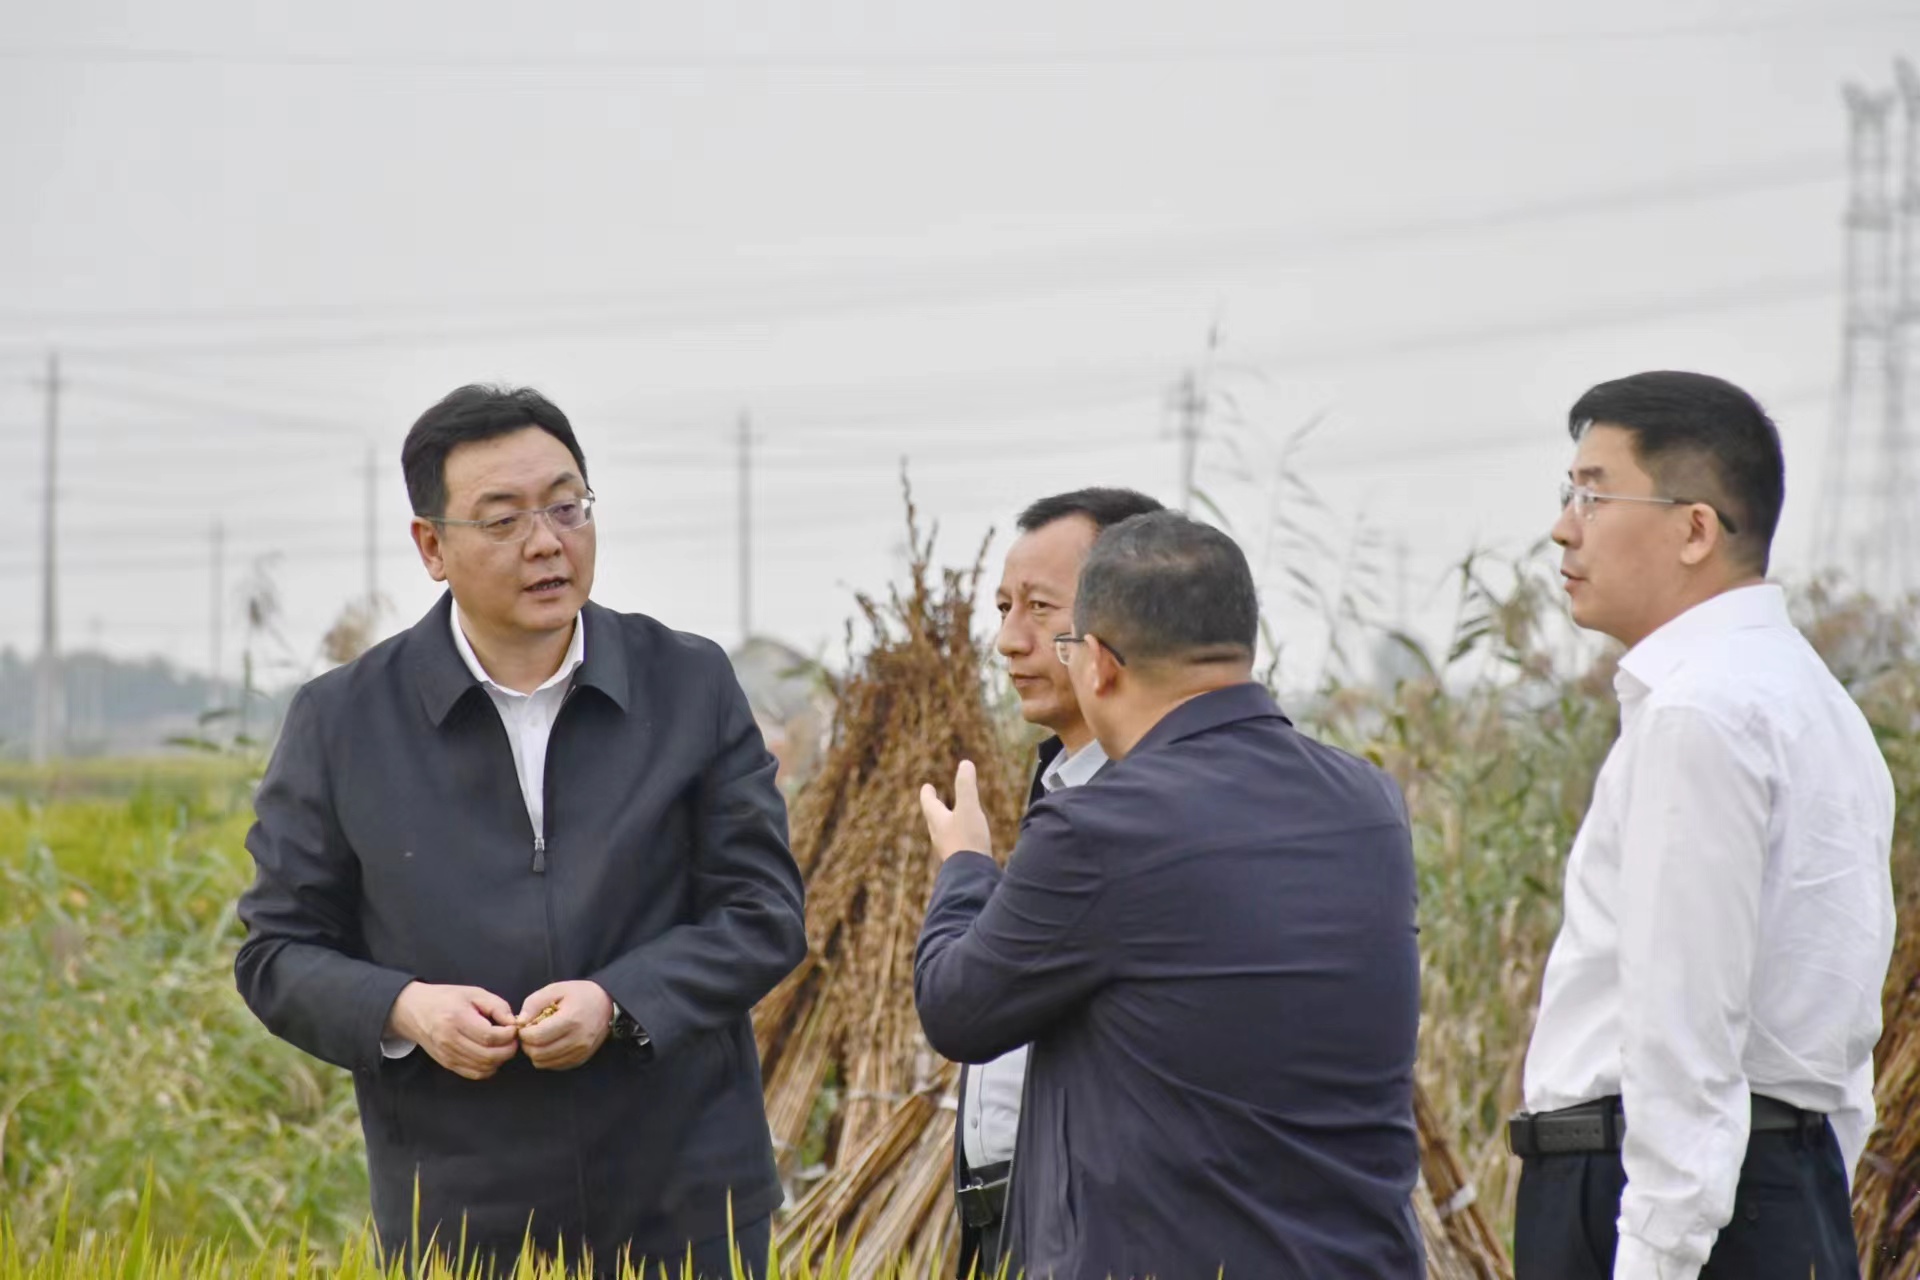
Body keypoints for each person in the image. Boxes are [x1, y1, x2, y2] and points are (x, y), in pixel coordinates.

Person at [233, 385, 807, 1278]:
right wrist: (407, 1009)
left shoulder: (688, 683)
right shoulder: (343, 722)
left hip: (686, 1198)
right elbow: (276, 953)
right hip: (462, 1210)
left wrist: (617, 1002)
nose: (546, 543)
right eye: (503, 520)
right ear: (432, 547)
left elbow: (763, 913)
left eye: (567, 507)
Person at [915, 511, 1425, 1280]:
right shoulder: (1369, 802)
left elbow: (958, 1009)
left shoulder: (1101, 826)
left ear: (1098, 664)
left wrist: (964, 867)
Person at [1514, 371, 1896, 1280]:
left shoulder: (1699, 713)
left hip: (1654, 1202)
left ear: (1694, 530)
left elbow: (1682, 1032)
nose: (1564, 527)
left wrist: (1655, 1257)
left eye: (1594, 494)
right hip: (1780, 1188)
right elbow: (1839, 1039)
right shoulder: (1816, 706)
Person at [953, 486, 1165, 1279]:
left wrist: (964, 870)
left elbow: (962, 1005)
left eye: (1040, 608)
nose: (1009, 640)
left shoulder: (1150, 810)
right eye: (1004, 607)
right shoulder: (1063, 784)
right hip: (1014, 1223)